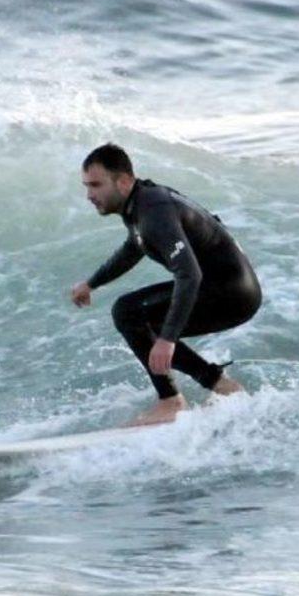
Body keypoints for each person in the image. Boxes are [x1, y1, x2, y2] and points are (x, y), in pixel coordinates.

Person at [71, 143, 262, 426]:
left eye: (96, 185)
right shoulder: (141, 203)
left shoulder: (153, 209)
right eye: (86, 186)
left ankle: (171, 402)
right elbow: (134, 247)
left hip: (230, 293)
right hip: (228, 288)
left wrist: (167, 339)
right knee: (134, 314)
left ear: (123, 181)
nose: (89, 195)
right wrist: (91, 283)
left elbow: (190, 274)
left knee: (129, 312)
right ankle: (222, 386)